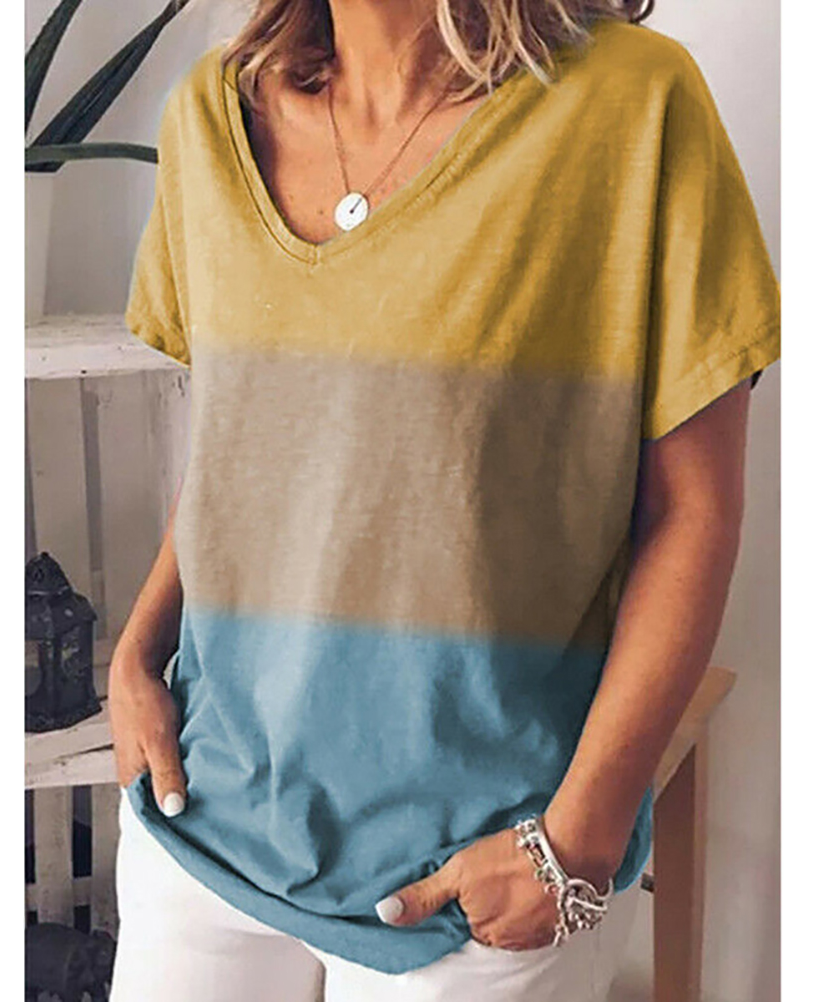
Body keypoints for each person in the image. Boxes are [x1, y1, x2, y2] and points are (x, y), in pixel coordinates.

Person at [108, 1, 781, 999]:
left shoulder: (632, 106)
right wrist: (135, 655)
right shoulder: (210, 115)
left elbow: (693, 510)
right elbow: (251, 453)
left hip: (473, 884)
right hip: (202, 821)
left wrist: (580, 836)